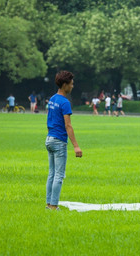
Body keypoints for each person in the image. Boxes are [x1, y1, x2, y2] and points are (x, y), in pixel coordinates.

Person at [45, 71, 82, 211]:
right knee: (59, 175)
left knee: (51, 174)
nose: (73, 86)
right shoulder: (65, 102)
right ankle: (54, 206)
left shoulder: (52, 99)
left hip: (49, 139)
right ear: (65, 84)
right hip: (59, 141)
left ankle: (49, 204)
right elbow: (68, 125)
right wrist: (76, 146)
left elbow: (49, 120)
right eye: (71, 84)